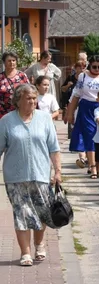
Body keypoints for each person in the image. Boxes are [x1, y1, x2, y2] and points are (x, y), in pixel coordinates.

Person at [0, 84, 62, 266]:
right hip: (15, 177)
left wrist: (57, 171)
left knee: (41, 213)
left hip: (41, 174)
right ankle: (25, 253)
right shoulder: (6, 121)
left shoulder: (44, 119)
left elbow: (54, 148)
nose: (33, 101)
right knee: (22, 213)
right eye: (29, 98)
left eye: (34, 98)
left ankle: (39, 243)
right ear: (18, 101)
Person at [65, 55, 99, 175]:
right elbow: (76, 95)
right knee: (90, 136)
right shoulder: (83, 76)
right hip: (86, 108)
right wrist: (70, 113)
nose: (97, 69)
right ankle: (92, 166)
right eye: (94, 67)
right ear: (89, 66)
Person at [60, 58, 86, 165]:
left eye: (83, 67)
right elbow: (63, 89)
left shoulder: (86, 79)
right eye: (79, 67)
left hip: (83, 107)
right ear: (75, 68)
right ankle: (80, 152)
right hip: (71, 106)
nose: (81, 69)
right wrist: (68, 85)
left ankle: (84, 154)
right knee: (75, 129)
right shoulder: (71, 78)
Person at [0, 52, 30, 118]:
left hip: (21, 111)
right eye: (9, 61)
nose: (12, 62)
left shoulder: (22, 76)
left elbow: (29, 92)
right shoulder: (1, 77)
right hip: (3, 113)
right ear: (4, 63)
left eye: (13, 60)